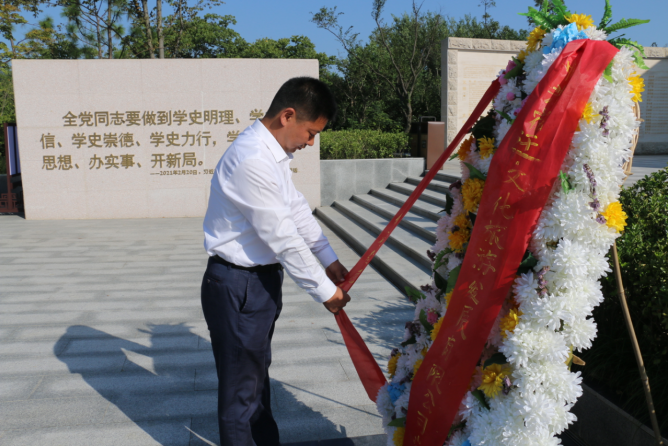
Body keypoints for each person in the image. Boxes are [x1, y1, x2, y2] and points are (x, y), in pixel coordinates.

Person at [200, 76, 352, 446]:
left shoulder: (272, 154)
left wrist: (327, 257)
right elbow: (282, 236)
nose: (310, 142)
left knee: (254, 379)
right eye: (311, 131)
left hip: (259, 283)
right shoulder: (251, 158)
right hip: (239, 284)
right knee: (241, 392)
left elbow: (296, 209)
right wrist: (324, 290)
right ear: (287, 115)